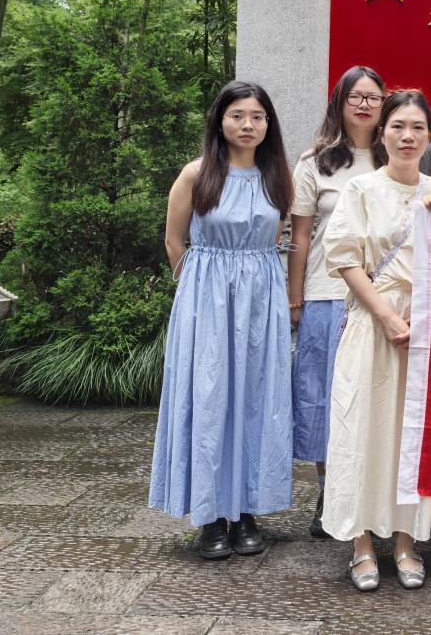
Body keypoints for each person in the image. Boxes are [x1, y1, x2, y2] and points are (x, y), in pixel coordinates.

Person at [321, 89, 431, 591]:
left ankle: (407, 539)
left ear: (430, 135)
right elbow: (344, 260)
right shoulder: (361, 189)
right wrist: (385, 315)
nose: (408, 136)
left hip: (429, 327)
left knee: (414, 434)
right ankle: (361, 543)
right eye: (398, 126)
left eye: (418, 127)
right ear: (382, 133)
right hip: (372, 320)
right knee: (363, 426)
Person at [150, 81, 295, 560]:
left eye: (257, 116)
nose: (247, 125)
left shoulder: (277, 177)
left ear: (268, 124)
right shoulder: (196, 175)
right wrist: (199, 295)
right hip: (206, 301)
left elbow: (274, 239)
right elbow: (175, 242)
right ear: (219, 120)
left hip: (260, 302)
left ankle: (247, 510)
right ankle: (211, 515)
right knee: (209, 400)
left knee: (256, 398)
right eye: (237, 115)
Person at [287, 66, 385, 539]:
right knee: (324, 399)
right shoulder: (315, 162)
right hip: (327, 295)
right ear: (339, 103)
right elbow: (301, 236)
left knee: (374, 397)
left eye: (373, 97)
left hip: (383, 298)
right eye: (355, 97)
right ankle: (330, 493)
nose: (364, 105)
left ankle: (374, 495)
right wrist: (295, 299)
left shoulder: (396, 154)